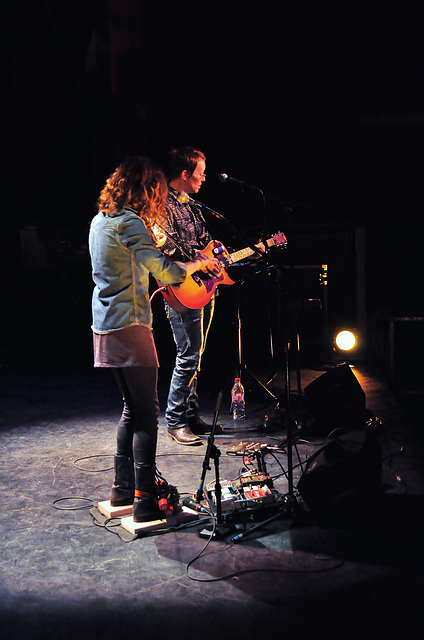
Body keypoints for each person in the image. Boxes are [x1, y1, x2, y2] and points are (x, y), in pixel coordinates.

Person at [88, 155, 219, 522]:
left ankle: (121, 491)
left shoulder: (101, 220)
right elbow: (161, 268)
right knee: (147, 413)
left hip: (105, 325)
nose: (160, 199)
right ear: (146, 189)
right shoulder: (129, 222)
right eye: (157, 192)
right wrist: (196, 265)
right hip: (130, 327)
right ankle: (145, 501)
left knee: (133, 409)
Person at [160, 146, 220, 446]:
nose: (204, 178)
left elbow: (205, 241)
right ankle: (175, 421)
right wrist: (199, 260)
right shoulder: (162, 207)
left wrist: (216, 252)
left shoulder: (193, 206)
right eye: (200, 173)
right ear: (184, 174)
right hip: (181, 291)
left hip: (203, 288)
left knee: (195, 357)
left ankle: (191, 415)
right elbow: (166, 250)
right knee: (187, 356)